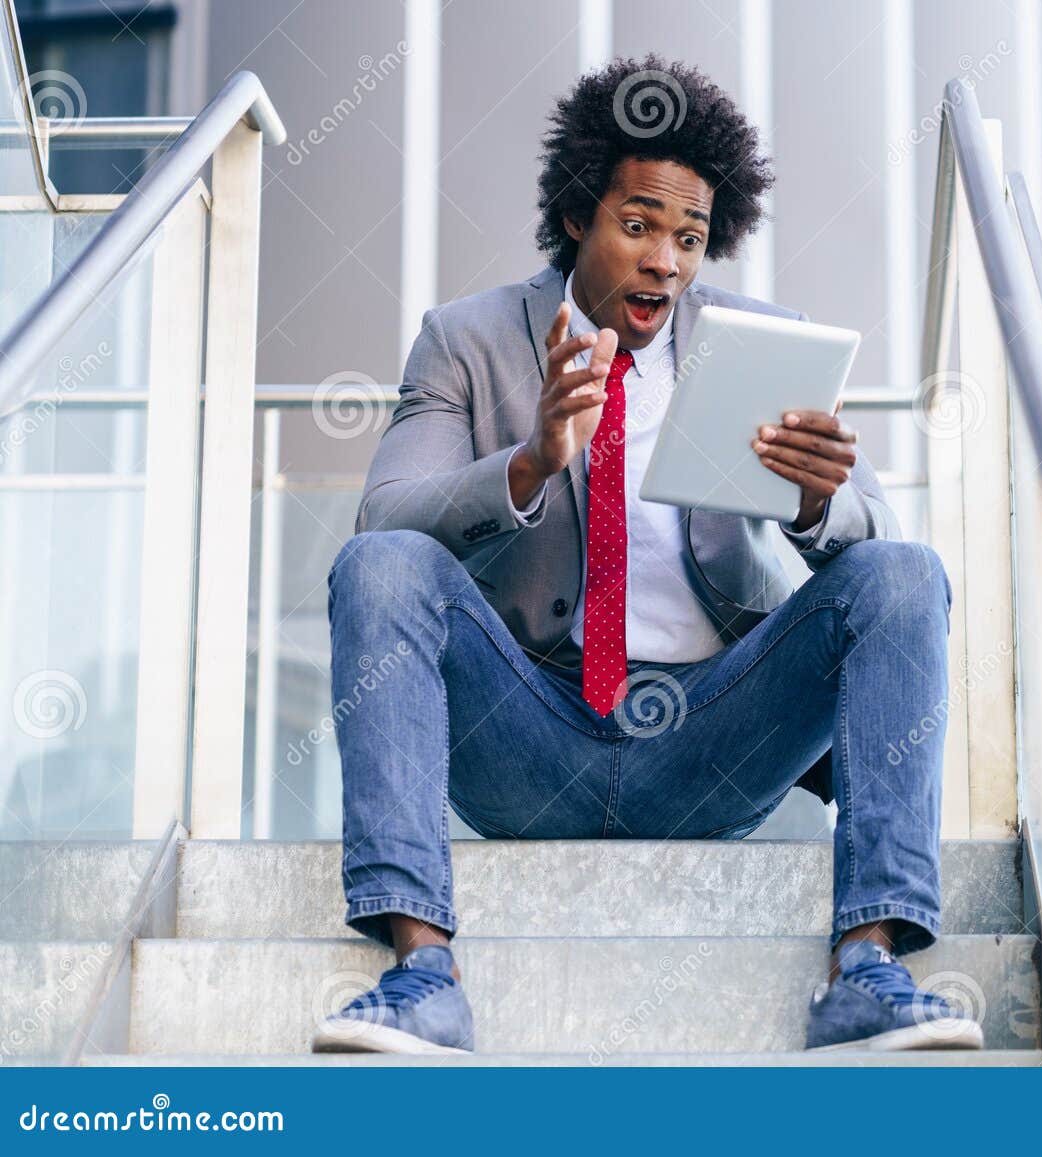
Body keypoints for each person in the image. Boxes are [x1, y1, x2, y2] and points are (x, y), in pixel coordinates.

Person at [311, 54, 977, 1056]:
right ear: (580, 215)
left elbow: (881, 555)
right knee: (379, 570)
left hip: (711, 737)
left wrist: (812, 502)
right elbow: (385, 517)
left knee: (904, 571)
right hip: (527, 732)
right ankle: (421, 975)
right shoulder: (467, 340)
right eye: (639, 225)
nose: (666, 259)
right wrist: (530, 462)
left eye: (691, 237)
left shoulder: (760, 344)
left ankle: (868, 969)